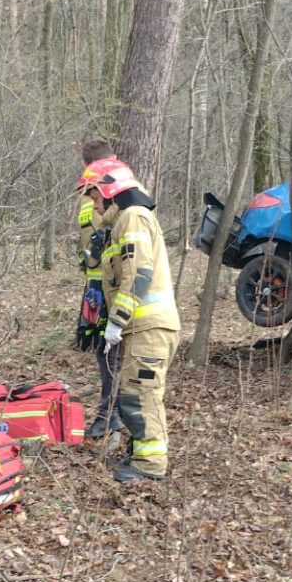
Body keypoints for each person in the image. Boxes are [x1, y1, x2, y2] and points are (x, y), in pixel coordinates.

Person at [79, 162, 180, 483]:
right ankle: (140, 452)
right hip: (142, 329)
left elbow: (138, 274)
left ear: (108, 191)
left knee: (140, 395)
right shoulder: (123, 221)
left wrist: (116, 322)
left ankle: (150, 464)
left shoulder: (134, 218)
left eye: (94, 196)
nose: (93, 205)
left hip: (148, 328)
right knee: (132, 393)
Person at [75, 140, 126, 439]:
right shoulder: (90, 198)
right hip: (97, 286)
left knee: (110, 352)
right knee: (103, 351)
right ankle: (109, 412)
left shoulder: (116, 198)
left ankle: (111, 414)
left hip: (110, 286)